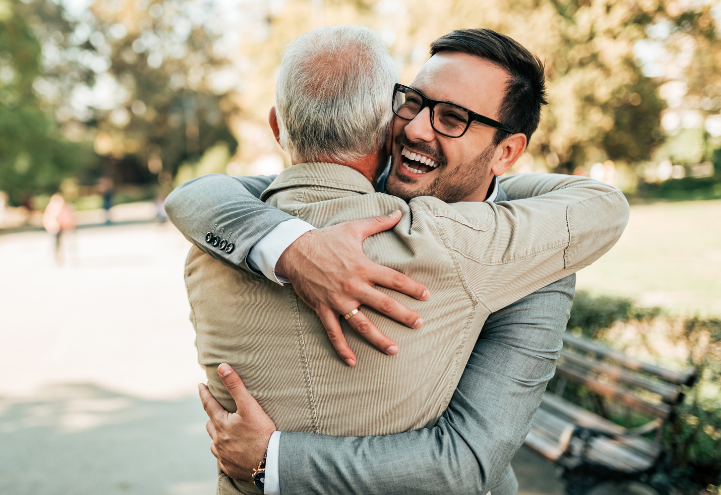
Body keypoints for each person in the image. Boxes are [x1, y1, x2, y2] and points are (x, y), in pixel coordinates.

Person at [167, 28, 629, 495]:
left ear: (505, 152)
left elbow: (467, 459)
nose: (415, 128)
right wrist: (292, 247)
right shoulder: (353, 188)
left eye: (452, 118)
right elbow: (200, 195)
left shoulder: (534, 259)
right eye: (412, 102)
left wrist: (274, 460)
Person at [42, 193, 76, 265]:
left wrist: (69, 223)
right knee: (55, 243)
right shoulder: (51, 208)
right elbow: (47, 218)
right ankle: (56, 257)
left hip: (66, 227)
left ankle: (71, 257)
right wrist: (50, 225)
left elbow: (71, 217)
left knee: (69, 243)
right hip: (55, 228)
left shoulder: (66, 207)